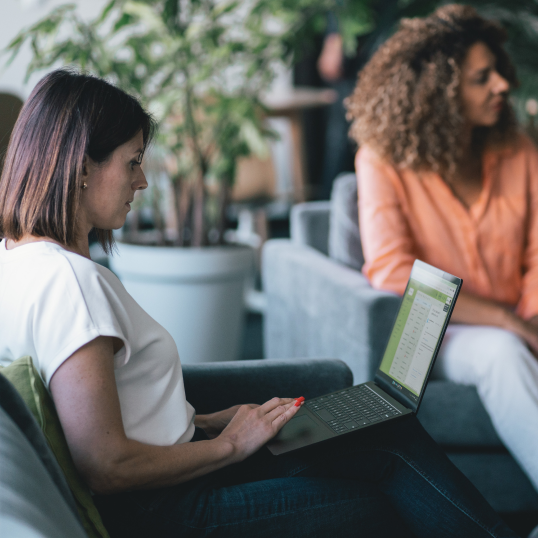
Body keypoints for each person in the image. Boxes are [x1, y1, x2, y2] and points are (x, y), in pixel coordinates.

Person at [0, 69, 520, 538]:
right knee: (380, 487)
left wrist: (209, 422)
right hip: (171, 508)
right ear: (81, 167)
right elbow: (106, 465)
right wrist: (231, 446)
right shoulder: (70, 283)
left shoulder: (20, 260)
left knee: (381, 422)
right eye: (132, 162)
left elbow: (117, 409)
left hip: (176, 474)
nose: (142, 180)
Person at [347, 4, 538, 493]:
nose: (502, 84)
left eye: (498, 71)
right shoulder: (382, 159)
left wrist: (530, 316)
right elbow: (390, 269)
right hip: (441, 334)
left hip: (525, 317)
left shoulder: (518, 151)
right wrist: (506, 320)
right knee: (501, 351)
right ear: (439, 91)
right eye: (482, 77)